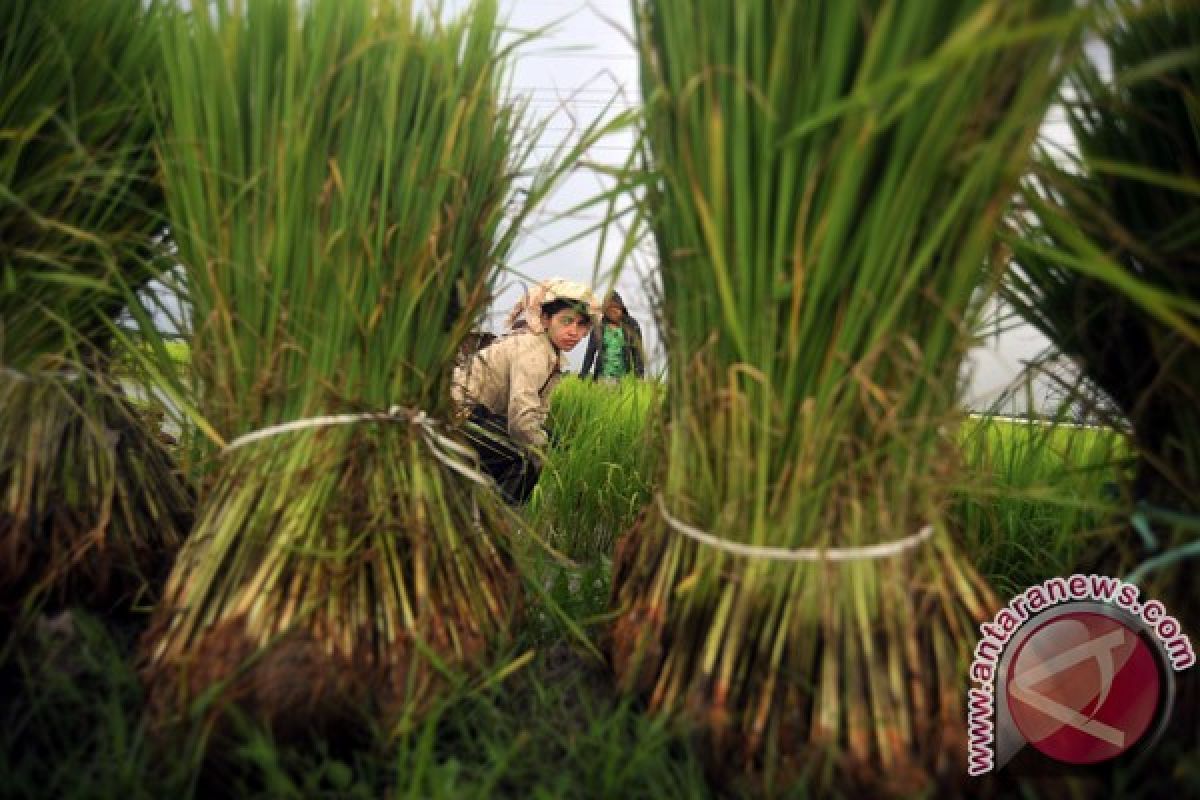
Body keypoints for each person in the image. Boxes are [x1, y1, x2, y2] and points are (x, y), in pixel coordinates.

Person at [452, 279, 599, 505]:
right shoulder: (532, 351)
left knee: (551, 441)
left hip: (477, 415)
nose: (574, 332)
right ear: (546, 320)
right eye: (566, 321)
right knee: (523, 458)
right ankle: (500, 517)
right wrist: (546, 457)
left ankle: (482, 503)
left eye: (581, 326)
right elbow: (521, 423)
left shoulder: (551, 356)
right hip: (457, 416)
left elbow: (537, 413)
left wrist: (551, 445)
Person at [580, 290, 645, 382]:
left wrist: (640, 377)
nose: (613, 311)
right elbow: (590, 353)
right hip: (603, 377)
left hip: (624, 377)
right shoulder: (599, 326)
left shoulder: (632, 325)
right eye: (609, 309)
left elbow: (638, 353)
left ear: (622, 308)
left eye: (616, 308)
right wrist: (583, 376)